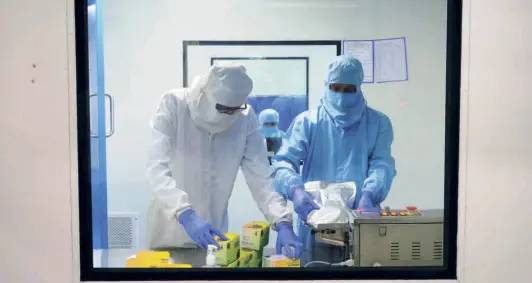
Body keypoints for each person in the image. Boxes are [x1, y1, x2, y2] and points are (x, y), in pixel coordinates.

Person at [147, 64, 303, 266]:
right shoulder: (174, 104)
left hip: (214, 241)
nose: (229, 115)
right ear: (205, 94)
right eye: (223, 108)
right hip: (168, 237)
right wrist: (184, 212)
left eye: (234, 109)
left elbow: (261, 176)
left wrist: (282, 221)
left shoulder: (245, 118)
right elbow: (156, 168)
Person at [271, 55, 396, 264]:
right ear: (327, 85)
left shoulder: (378, 123)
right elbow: (284, 162)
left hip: (358, 220)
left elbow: (382, 165)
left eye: (349, 89)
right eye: (336, 88)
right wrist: (296, 190)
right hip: (315, 220)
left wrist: (369, 193)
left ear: (359, 87)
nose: (341, 96)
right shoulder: (308, 122)